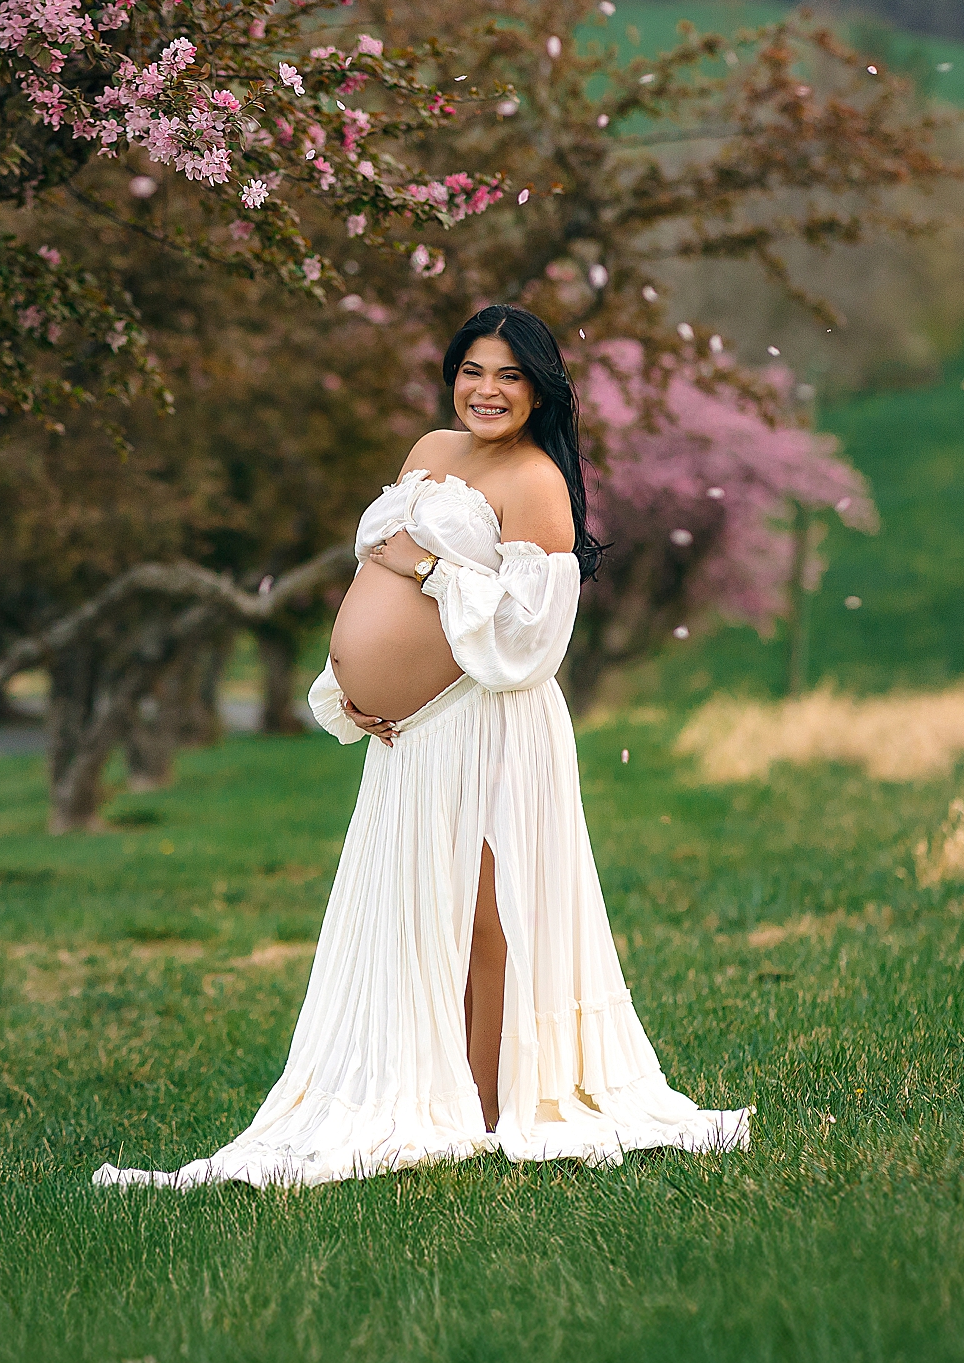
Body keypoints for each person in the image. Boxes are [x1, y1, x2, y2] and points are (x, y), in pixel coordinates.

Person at [93, 305, 748, 1189]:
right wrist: (355, 684)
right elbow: (379, 562)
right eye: (473, 370)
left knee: (489, 909)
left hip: (487, 725)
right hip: (409, 738)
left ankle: (485, 1104)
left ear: (540, 388)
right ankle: (423, 1080)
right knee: (419, 905)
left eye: (510, 376)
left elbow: (530, 640)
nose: (487, 390)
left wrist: (429, 571)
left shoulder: (535, 481)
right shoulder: (429, 451)